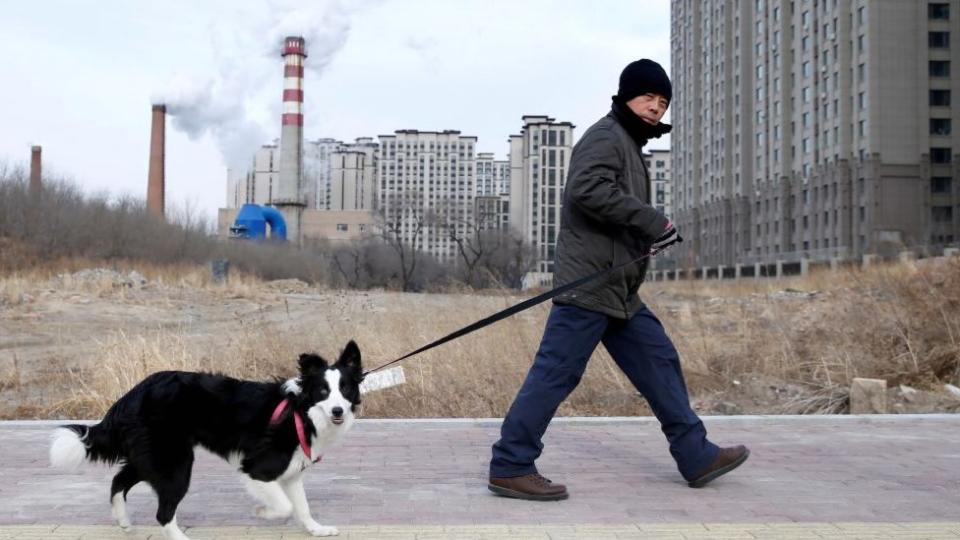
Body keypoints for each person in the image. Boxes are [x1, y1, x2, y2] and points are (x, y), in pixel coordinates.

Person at [488, 59, 749, 501]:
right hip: (589, 286)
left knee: (659, 362)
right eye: (648, 97)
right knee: (556, 374)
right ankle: (510, 464)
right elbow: (586, 190)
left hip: (619, 292)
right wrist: (650, 221)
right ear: (627, 96)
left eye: (663, 102)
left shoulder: (627, 143)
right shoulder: (607, 136)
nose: (655, 108)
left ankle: (695, 454)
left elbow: (611, 205)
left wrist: (645, 235)